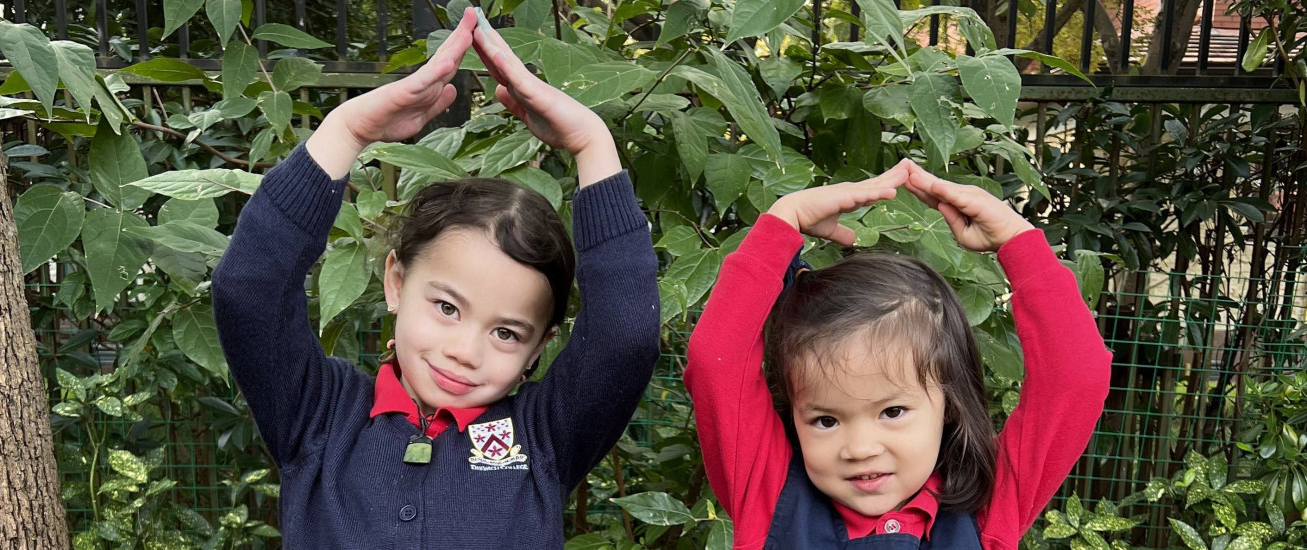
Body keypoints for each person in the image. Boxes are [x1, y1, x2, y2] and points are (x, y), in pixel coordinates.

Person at [210, 8, 659, 547]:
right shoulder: (317, 413)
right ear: (395, 280)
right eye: (447, 307)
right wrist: (347, 130)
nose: (465, 352)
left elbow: (626, 335)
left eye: (507, 333)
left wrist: (591, 142)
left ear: (540, 347)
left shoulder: (543, 439)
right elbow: (249, 288)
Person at [684, 160, 1111, 549]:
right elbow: (716, 363)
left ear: (947, 403)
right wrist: (783, 222)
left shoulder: (987, 507)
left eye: (892, 411)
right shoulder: (768, 490)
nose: (861, 449)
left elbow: (1075, 380)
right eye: (826, 420)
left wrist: (1018, 242)